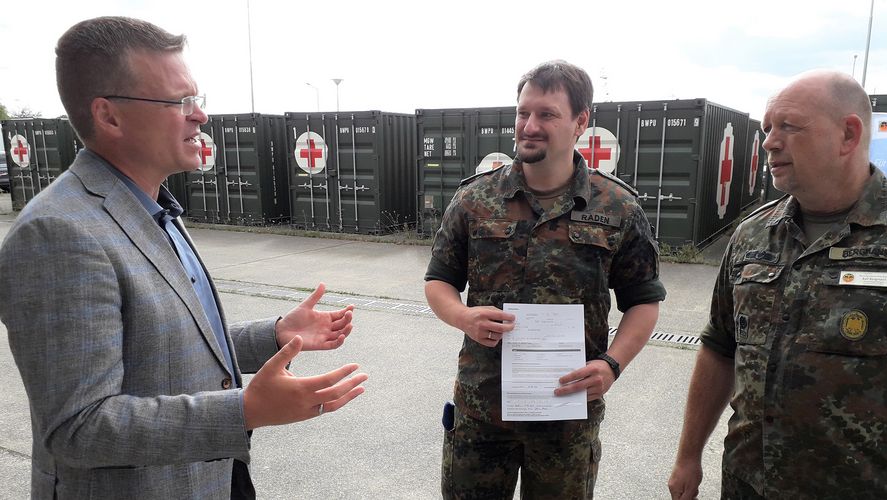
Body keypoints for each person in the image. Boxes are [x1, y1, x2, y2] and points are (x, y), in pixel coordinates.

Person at [0, 16, 367, 499]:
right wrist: (243, 411)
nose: (200, 116)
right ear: (109, 116)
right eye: (179, 102)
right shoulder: (59, 235)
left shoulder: (152, 208)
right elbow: (78, 428)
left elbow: (167, 351)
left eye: (198, 99)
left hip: (211, 479)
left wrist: (274, 335)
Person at [424, 60, 666, 499]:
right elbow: (438, 281)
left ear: (580, 122)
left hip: (566, 418)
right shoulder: (474, 199)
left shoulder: (617, 207)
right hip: (482, 412)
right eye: (523, 113)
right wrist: (462, 317)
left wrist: (613, 365)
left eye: (547, 114)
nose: (529, 126)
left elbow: (644, 301)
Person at [668, 70, 887, 499]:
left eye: (788, 126)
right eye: (768, 128)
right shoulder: (752, 234)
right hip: (749, 484)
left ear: (848, 134)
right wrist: (688, 456)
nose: (769, 141)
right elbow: (719, 346)